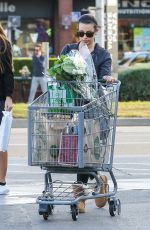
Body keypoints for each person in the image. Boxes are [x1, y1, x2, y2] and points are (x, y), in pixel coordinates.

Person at [60, 14, 116, 213]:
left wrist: (107, 77)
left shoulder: (102, 55)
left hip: (93, 108)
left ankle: (80, 193)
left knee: (87, 149)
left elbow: (103, 75)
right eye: (80, 32)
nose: (84, 36)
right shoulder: (69, 50)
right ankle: (96, 181)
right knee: (76, 150)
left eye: (88, 33)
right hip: (72, 108)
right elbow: (60, 74)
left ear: (96, 31)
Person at [0, 24, 14, 195]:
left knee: (1, 143)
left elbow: (9, 72)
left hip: (1, 99)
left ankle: (1, 182)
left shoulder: (3, 43)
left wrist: (9, 96)